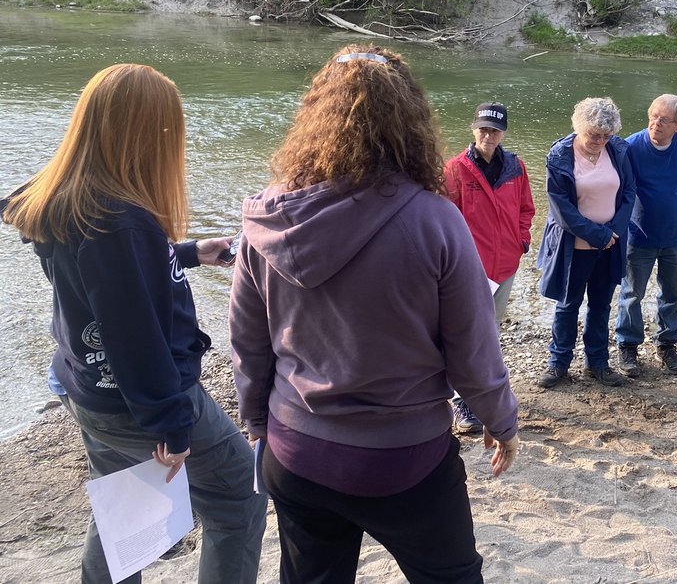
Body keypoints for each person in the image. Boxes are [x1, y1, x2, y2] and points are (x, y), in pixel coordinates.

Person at [229, 46, 519, 584]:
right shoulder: (437, 221)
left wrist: (256, 423)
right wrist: (501, 421)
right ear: (410, 121)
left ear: (314, 116)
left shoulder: (267, 218)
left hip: (296, 452)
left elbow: (248, 344)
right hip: (405, 459)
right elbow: (473, 352)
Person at [0, 63, 266, 584]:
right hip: (141, 401)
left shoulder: (69, 198)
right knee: (238, 496)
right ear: (143, 134)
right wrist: (170, 421)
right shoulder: (119, 221)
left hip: (89, 390)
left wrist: (186, 253)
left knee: (127, 513)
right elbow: (134, 337)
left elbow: (108, 286)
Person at [444, 101, 535, 434]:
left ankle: (482, 394)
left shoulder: (516, 168)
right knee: (464, 333)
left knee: (490, 333)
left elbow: (527, 209)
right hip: (467, 269)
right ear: (473, 129)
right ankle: (461, 401)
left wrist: (521, 241)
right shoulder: (455, 169)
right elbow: (443, 219)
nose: (488, 135)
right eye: (483, 129)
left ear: (503, 133)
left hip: (505, 266)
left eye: (495, 130)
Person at [535, 96, 635, 389]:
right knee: (568, 305)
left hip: (610, 245)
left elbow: (629, 192)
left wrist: (613, 232)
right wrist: (598, 235)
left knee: (601, 305)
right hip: (573, 247)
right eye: (594, 135)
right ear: (580, 128)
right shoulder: (559, 156)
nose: (600, 141)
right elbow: (561, 208)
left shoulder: (618, 149)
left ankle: (598, 363)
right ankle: (559, 364)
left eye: (606, 136)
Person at [615, 94, 677, 377]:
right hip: (638, 235)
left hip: (676, 236)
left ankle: (667, 344)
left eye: (664, 120)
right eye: (653, 116)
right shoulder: (630, 146)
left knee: (674, 293)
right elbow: (619, 186)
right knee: (631, 294)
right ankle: (628, 347)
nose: (655, 124)